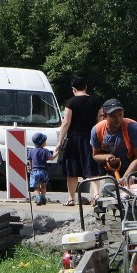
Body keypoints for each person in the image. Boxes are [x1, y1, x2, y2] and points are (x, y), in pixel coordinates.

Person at [55, 76, 103, 206]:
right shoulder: (95, 102)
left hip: (74, 139)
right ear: (86, 87)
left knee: (72, 170)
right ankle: (96, 195)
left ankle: (71, 198)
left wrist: (60, 141)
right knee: (92, 168)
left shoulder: (71, 102)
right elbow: (101, 119)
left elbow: (66, 122)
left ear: (73, 89)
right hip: (91, 138)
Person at [90, 98, 137, 188]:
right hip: (114, 170)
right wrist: (107, 157)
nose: (118, 119)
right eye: (113, 116)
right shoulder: (97, 130)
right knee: (109, 194)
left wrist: (126, 177)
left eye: (120, 115)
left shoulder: (133, 128)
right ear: (104, 116)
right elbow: (95, 155)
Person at [27, 132, 58, 206]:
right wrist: (57, 152)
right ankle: (43, 198)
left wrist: (30, 169)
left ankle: (38, 198)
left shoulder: (31, 151)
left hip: (34, 171)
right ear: (42, 143)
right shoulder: (45, 151)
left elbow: (30, 161)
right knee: (43, 185)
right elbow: (51, 158)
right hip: (43, 171)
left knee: (36, 187)